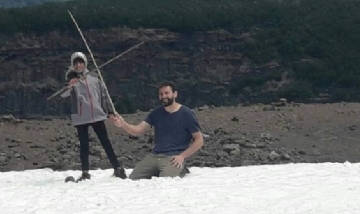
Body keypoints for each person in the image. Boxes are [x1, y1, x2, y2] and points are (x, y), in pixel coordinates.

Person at [113, 81, 204, 180]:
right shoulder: (156, 113)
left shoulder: (187, 114)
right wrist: (123, 124)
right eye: (161, 94)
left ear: (175, 94)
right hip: (154, 155)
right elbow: (138, 130)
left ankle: (181, 169)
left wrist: (182, 156)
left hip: (174, 157)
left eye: (166, 93)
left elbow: (199, 140)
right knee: (133, 180)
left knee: (165, 181)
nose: (163, 96)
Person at [60, 52, 127, 181]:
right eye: (76, 63)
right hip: (80, 117)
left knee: (105, 142)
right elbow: (63, 95)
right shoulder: (70, 80)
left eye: (81, 62)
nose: (79, 65)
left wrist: (110, 112)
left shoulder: (95, 78)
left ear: (85, 63)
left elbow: (103, 96)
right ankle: (85, 172)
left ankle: (117, 168)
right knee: (84, 144)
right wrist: (69, 85)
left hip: (97, 115)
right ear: (73, 65)